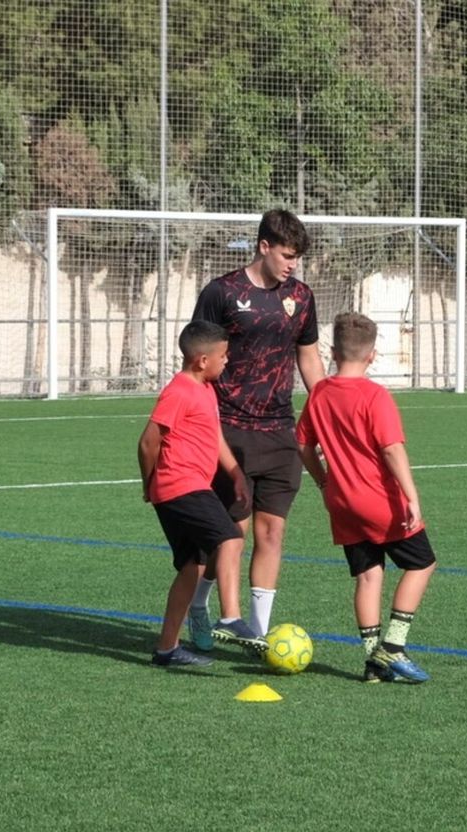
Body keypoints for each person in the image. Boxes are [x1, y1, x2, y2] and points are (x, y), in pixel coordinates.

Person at [187, 209, 325, 650]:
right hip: (228, 429)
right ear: (264, 246)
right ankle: (198, 607)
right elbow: (196, 360)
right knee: (234, 533)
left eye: (297, 257)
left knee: (272, 533)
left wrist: (327, 416)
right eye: (286, 255)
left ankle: (260, 635)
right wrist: (197, 420)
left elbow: (309, 358)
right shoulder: (222, 292)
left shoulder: (301, 296)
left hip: (280, 432)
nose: (292, 265)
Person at [295, 312, 435, 684]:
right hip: (378, 500)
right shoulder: (375, 395)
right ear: (372, 355)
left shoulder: (319, 394)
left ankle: (373, 664)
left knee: (368, 576)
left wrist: (324, 483)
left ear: (332, 352)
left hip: (341, 502)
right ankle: (394, 645)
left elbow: (303, 446)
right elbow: (391, 449)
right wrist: (411, 496)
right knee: (422, 564)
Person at [136, 321, 253, 667]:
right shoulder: (179, 391)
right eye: (223, 355)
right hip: (182, 485)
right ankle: (230, 617)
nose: (227, 360)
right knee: (230, 538)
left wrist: (235, 472)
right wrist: (149, 482)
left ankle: (166, 649)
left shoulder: (206, 389)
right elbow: (148, 442)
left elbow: (214, 437)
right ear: (202, 360)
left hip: (184, 487)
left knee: (192, 566)